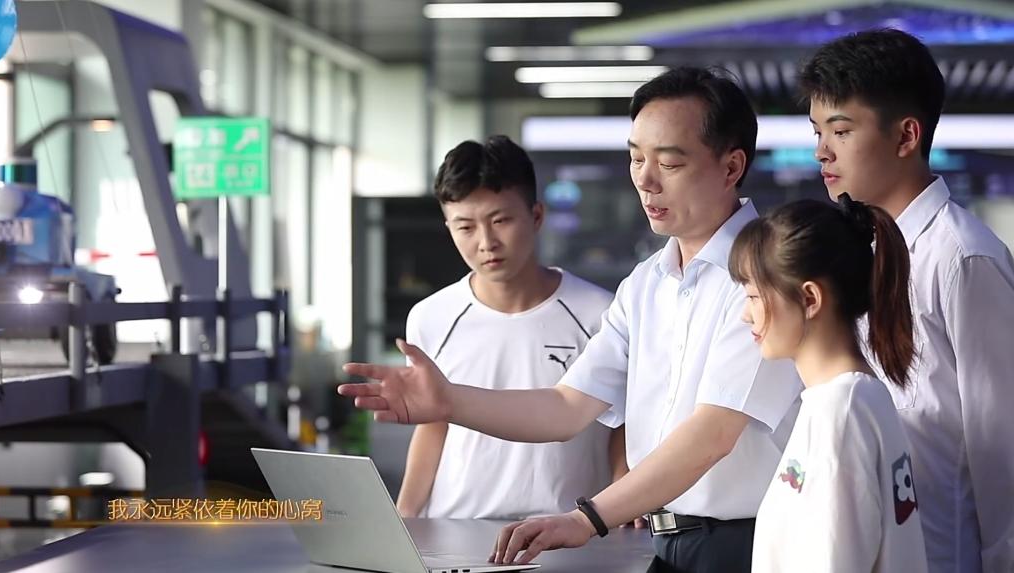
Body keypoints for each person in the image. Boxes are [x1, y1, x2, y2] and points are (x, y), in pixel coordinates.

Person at [341, 67, 802, 573]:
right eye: (636, 158)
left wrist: (588, 518)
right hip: (670, 544)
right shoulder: (646, 284)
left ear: (731, 166)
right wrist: (448, 400)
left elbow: (712, 435)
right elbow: (566, 407)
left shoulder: (767, 277)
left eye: (669, 162)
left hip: (745, 544)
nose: (645, 180)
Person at [801, 28, 1014, 572]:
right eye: (818, 131)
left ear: (906, 136)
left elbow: (1001, 447)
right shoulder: (860, 250)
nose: (822, 150)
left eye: (841, 130)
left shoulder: (963, 258)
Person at [395, 135, 628, 522]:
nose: (486, 243)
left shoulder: (601, 314)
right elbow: (433, 425)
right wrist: (404, 516)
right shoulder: (430, 316)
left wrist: (620, 505)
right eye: (465, 227)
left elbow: (621, 423)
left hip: (566, 529)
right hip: (457, 525)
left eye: (500, 221)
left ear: (536, 216)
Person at [727, 195, 928, 572]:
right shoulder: (851, 399)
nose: (745, 314)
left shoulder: (842, 411)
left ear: (809, 298)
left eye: (754, 295)